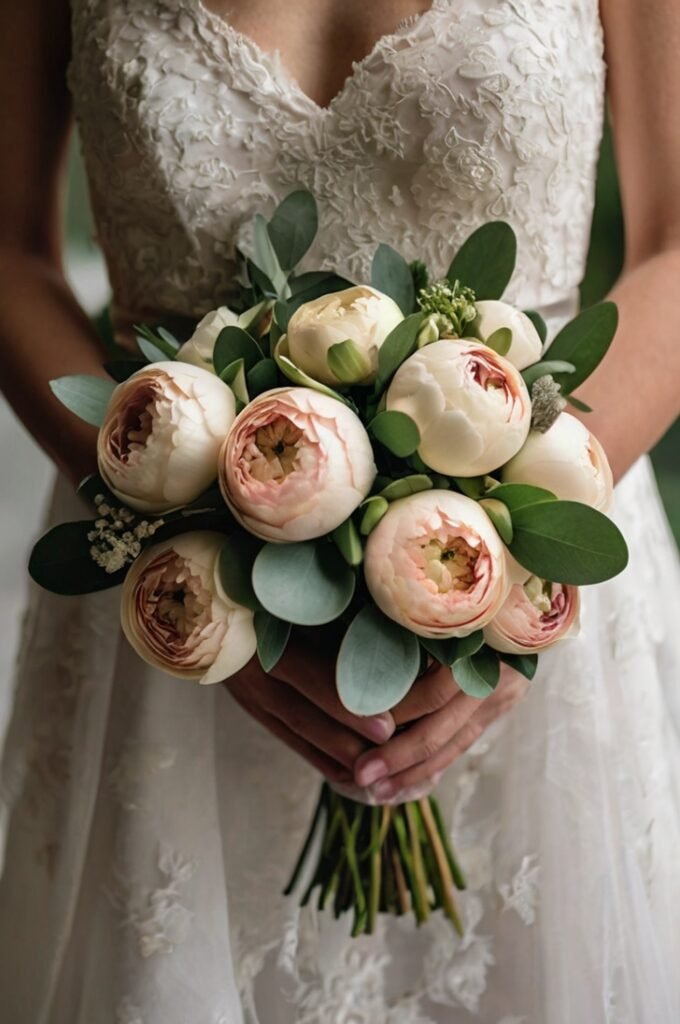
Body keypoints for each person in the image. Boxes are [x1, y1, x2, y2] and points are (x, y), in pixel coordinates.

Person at [1, 1, 679, 1020]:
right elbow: (8, 251)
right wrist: (181, 535)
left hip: (532, 597)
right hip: (184, 615)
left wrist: (502, 574)